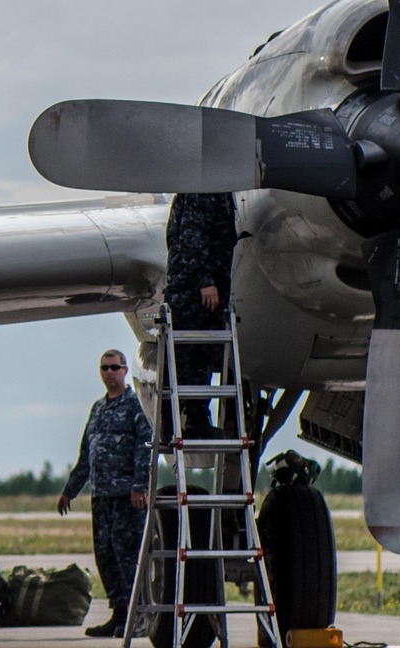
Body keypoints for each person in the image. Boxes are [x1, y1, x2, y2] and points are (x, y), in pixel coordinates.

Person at [59, 348, 153, 637]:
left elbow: (144, 448)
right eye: (105, 368)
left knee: (128, 559)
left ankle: (139, 617)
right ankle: (120, 614)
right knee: (106, 557)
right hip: (101, 497)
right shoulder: (98, 408)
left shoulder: (135, 406)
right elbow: (87, 454)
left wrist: (139, 486)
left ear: (125, 370)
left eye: (114, 367)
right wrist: (70, 491)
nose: (109, 373)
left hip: (126, 498)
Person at [164, 192, 237, 436]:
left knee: (202, 355)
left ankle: (196, 420)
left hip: (209, 290)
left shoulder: (220, 191)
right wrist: (204, 281)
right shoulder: (203, 191)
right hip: (192, 291)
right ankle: (170, 422)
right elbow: (190, 239)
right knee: (183, 356)